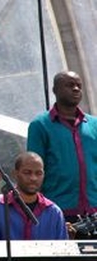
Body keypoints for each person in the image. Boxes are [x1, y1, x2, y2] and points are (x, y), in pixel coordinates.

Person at [27, 71, 97, 232]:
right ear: (55, 90)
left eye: (79, 85)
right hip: (58, 213)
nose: (76, 89)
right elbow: (33, 172)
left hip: (94, 212)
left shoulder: (94, 125)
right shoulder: (40, 125)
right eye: (69, 85)